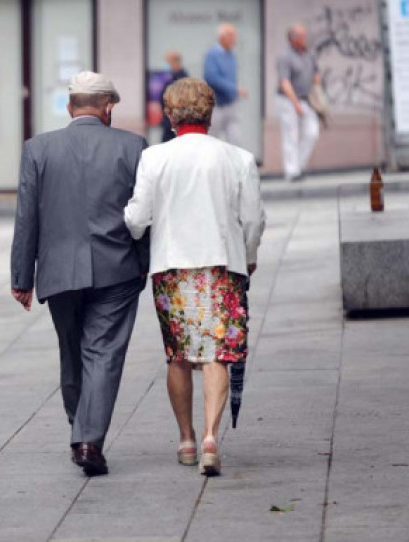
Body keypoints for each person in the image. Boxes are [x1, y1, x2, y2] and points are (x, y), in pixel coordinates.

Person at [124, 78, 265, 476]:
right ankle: (210, 437)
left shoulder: (154, 158)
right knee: (218, 352)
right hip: (223, 267)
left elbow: (137, 220)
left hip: (171, 268)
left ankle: (186, 438)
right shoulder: (238, 158)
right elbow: (253, 220)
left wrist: (128, 224)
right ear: (210, 112)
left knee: (180, 355)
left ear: (170, 115)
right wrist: (249, 256)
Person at [11, 71, 148, 477]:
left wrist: (22, 277)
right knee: (102, 353)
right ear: (108, 108)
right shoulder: (133, 146)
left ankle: (82, 428)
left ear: (70, 107)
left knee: (72, 351)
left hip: (59, 271)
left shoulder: (38, 149)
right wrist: (146, 264)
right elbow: (144, 214)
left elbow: (26, 218)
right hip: (117, 268)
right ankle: (87, 438)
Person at [277, 24, 321, 182]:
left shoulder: (309, 55)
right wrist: (295, 103)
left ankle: (300, 165)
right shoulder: (285, 56)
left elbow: (316, 73)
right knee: (291, 135)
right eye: (301, 36)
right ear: (293, 39)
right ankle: (291, 171)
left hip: (306, 99)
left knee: (312, 133)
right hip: (288, 100)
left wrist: (316, 83)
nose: (305, 39)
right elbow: (284, 82)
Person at [204, 24, 247, 146]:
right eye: (231, 35)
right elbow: (212, 78)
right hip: (216, 106)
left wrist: (234, 92)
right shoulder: (212, 55)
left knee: (235, 139)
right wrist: (234, 89)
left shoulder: (232, 55)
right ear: (222, 37)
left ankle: (235, 164)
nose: (234, 39)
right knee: (211, 139)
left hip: (231, 104)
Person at [160, 51, 190, 142]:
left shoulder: (182, 79)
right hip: (168, 120)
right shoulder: (171, 77)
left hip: (174, 122)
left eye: (168, 62)